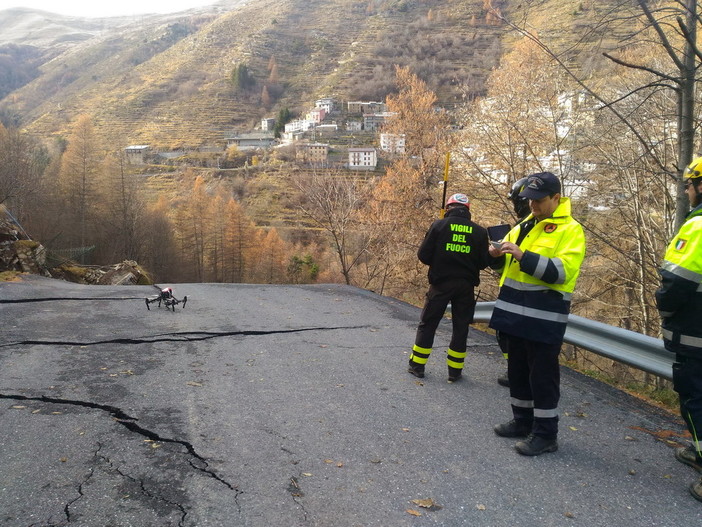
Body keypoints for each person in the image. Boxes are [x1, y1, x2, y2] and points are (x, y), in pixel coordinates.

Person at [488, 172, 586, 456]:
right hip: (514, 314)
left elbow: (560, 272)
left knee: (542, 378)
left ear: (557, 198)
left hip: (544, 318)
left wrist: (522, 256)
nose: (532, 205)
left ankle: (545, 435)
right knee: (517, 372)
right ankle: (522, 422)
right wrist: (495, 255)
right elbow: (505, 266)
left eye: (539, 201)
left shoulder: (571, 230)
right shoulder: (525, 225)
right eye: (529, 200)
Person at [655, 157, 702, 502]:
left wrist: (666, 311)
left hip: (696, 331)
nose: (686, 192)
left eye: (688, 185)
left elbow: (676, 283)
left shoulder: (698, 226)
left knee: (695, 398)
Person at [408, 193, 490, 383]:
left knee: (428, 324)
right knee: (460, 328)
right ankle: (455, 372)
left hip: (440, 284)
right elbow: (483, 262)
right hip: (465, 287)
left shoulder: (439, 226)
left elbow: (423, 255)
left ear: (448, 208)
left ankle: (417, 366)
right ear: (467, 210)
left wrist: (439, 260)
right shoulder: (479, 232)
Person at [496, 177, 532, 388]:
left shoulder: (534, 228)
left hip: (526, 294)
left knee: (515, 336)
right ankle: (516, 370)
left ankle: (519, 373)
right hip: (513, 291)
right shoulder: (521, 227)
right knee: (506, 334)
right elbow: (506, 266)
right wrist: (495, 256)